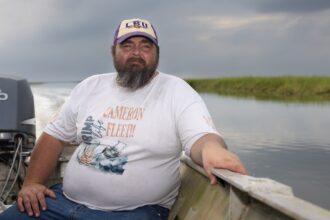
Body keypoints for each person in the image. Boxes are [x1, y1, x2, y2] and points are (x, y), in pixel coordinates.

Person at [0, 18, 246, 220]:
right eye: (127, 45)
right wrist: (32, 182)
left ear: (157, 53)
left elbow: (200, 137)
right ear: (114, 52)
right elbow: (54, 136)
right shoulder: (90, 86)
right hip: (62, 203)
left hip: (136, 213)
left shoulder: (176, 91)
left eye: (145, 46)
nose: (136, 53)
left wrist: (213, 150)